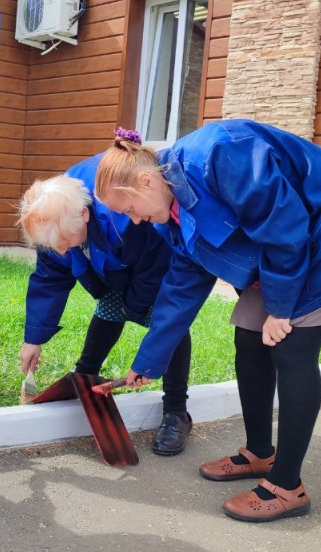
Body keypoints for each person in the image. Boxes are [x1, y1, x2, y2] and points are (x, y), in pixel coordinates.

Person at [94, 122, 321, 522]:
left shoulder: (221, 154)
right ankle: (260, 453)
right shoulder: (170, 211)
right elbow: (180, 288)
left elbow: (284, 225)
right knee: (249, 338)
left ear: (143, 182)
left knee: (291, 349)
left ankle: (287, 487)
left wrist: (281, 307)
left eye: (129, 210)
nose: (135, 221)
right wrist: (148, 361)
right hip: (287, 253)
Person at [17, 155, 194, 455]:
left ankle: (176, 411)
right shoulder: (52, 217)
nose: (60, 249)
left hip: (155, 264)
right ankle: (84, 378)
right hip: (114, 261)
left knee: (166, 324)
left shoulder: (127, 217)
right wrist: (33, 338)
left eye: (63, 241)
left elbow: (154, 267)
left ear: (84, 215)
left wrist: (135, 305)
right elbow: (50, 278)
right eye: (52, 245)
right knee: (109, 306)